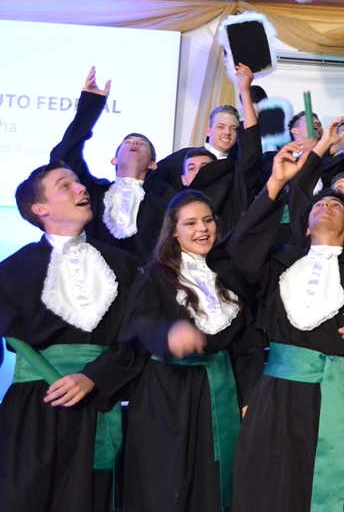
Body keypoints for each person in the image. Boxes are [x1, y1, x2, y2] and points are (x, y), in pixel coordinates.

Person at [226, 142, 344, 512]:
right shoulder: (279, 264)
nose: (326, 206)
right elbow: (240, 249)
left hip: (334, 402)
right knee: (269, 490)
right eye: (318, 205)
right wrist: (275, 184)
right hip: (275, 398)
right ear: (305, 225)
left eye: (336, 206)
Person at [0, 161, 143, 511]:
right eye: (65, 185)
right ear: (40, 208)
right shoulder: (11, 271)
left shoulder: (125, 265)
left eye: (79, 182)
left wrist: (93, 377)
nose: (81, 189)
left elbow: (136, 338)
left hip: (101, 400)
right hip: (34, 410)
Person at [118, 190, 264, 512]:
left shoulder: (230, 275)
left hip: (221, 392)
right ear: (173, 230)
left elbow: (248, 345)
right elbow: (138, 323)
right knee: (165, 486)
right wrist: (168, 333)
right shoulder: (156, 273)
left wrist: (249, 398)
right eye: (191, 223)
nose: (202, 229)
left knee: (213, 485)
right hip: (168, 393)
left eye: (208, 220)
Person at [50, 66, 166, 260]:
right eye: (127, 142)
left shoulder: (163, 206)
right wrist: (91, 104)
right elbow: (65, 156)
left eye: (142, 144)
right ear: (114, 159)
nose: (134, 143)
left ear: (152, 164)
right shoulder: (92, 192)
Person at [146, 65, 263, 233]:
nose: (227, 133)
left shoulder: (237, 166)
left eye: (233, 128)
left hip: (225, 238)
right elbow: (154, 179)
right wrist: (180, 203)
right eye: (220, 127)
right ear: (208, 130)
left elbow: (252, 144)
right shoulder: (184, 156)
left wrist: (245, 91)